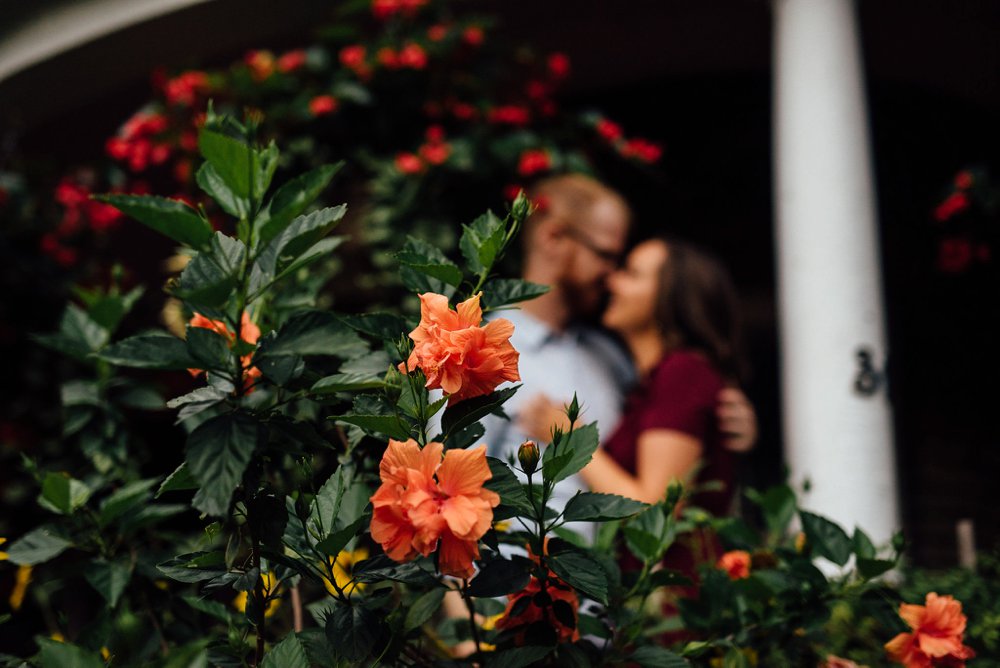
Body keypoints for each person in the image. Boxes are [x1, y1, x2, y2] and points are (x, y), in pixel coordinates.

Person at [483, 174, 756, 540]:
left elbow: (670, 452)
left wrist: (732, 427)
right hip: (517, 588)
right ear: (554, 238)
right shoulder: (480, 351)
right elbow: (449, 490)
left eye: (626, 269)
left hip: (614, 588)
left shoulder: (612, 358)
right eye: (607, 256)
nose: (611, 277)